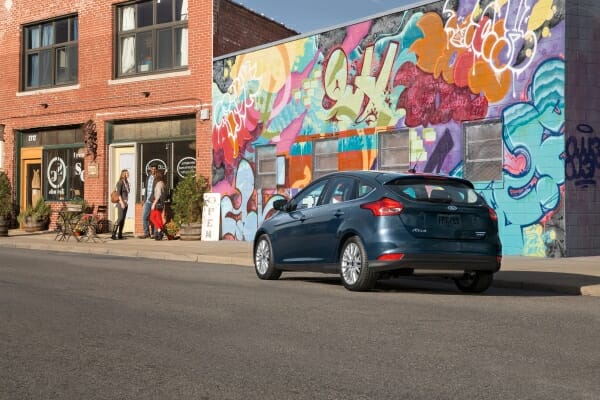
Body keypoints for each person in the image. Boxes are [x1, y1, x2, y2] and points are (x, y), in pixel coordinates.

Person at [139, 163, 157, 238]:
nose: (153, 170)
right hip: (147, 201)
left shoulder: (158, 178)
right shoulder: (148, 177)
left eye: (154, 169)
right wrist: (143, 199)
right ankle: (146, 233)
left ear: (156, 170)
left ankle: (156, 234)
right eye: (152, 169)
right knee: (144, 217)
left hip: (154, 201)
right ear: (150, 169)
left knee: (154, 218)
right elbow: (145, 189)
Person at [112, 169, 130, 240]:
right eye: (127, 173)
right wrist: (122, 202)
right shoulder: (120, 182)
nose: (128, 174)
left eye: (128, 173)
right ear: (123, 174)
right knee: (120, 218)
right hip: (121, 202)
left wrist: (125, 203)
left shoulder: (126, 182)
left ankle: (120, 234)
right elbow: (119, 194)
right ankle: (113, 234)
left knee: (123, 219)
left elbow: (127, 192)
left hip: (126, 202)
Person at [149, 170, 166, 241]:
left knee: (152, 218)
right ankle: (159, 234)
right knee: (158, 219)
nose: (154, 176)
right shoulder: (162, 183)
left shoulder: (159, 184)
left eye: (155, 174)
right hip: (160, 203)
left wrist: (154, 203)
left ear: (158, 175)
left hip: (157, 203)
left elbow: (158, 195)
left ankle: (160, 229)